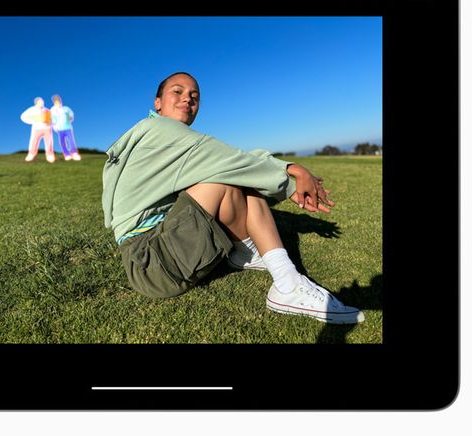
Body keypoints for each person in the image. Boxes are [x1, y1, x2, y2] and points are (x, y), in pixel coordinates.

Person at [101, 72, 364, 324]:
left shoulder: (157, 135)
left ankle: (246, 254)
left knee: (234, 175)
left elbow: (231, 159)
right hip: (150, 264)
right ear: (157, 103)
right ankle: (287, 285)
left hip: (154, 256)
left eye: (194, 96)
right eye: (177, 92)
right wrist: (293, 175)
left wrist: (288, 173)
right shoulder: (161, 130)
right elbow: (234, 161)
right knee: (225, 179)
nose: (188, 99)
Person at [20, 97, 55, 163]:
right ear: (36, 103)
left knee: (49, 142)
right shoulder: (32, 109)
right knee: (34, 142)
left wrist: (50, 123)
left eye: (42, 102)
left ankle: (50, 155)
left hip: (47, 129)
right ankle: (31, 154)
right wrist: (33, 120)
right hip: (37, 129)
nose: (42, 103)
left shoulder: (47, 110)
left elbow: (53, 119)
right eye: (40, 102)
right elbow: (23, 116)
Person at [50, 94, 81, 161]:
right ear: (54, 102)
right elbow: (53, 120)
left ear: (60, 101)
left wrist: (70, 117)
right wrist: (54, 127)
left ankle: (74, 153)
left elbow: (71, 115)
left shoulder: (66, 109)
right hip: (59, 129)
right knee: (62, 142)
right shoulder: (53, 110)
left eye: (58, 101)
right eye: (56, 102)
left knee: (71, 141)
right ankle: (67, 154)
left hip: (67, 128)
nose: (58, 103)